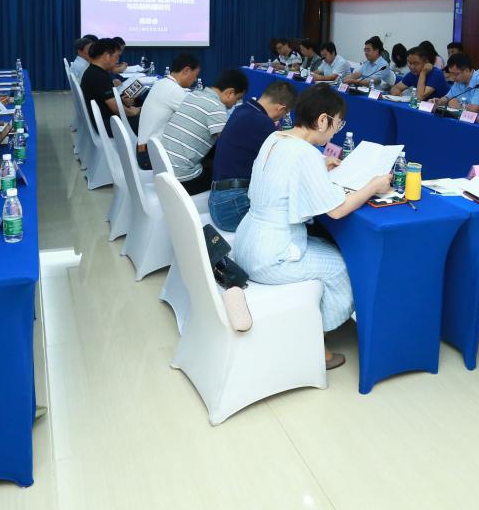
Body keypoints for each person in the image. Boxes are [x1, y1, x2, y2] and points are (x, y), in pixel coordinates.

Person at [231, 85, 394, 371]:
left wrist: (321, 162)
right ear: (322, 120)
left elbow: (288, 164)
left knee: (326, 247)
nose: (336, 132)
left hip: (246, 243)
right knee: (342, 267)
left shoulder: (276, 137)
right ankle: (315, 342)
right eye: (337, 124)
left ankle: (309, 325)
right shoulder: (305, 154)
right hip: (270, 257)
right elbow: (337, 209)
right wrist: (373, 186)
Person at [208, 81, 298, 231]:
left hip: (219, 199)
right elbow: (284, 159)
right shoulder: (263, 123)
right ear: (280, 108)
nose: (281, 118)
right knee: (290, 217)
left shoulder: (243, 109)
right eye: (285, 113)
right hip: (232, 207)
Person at [160, 69, 248, 194]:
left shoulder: (194, 95)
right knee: (229, 173)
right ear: (230, 93)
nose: (235, 103)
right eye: (238, 99)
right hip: (182, 180)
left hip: (164, 170)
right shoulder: (217, 107)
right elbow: (230, 144)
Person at [135, 53, 200, 168]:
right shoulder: (173, 90)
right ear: (186, 71)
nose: (195, 80)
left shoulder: (161, 83)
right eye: (195, 75)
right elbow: (198, 117)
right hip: (152, 156)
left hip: (145, 150)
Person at [81, 37, 138, 137]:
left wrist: (122, 101)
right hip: (107, 124)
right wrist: (134, 112)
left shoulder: (94, 71)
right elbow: (116, 108)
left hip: (102, 120)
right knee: (148, 120)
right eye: (117, 56)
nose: (118, 60)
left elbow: (104, 99)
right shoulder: (98, 76)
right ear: (107, 56)